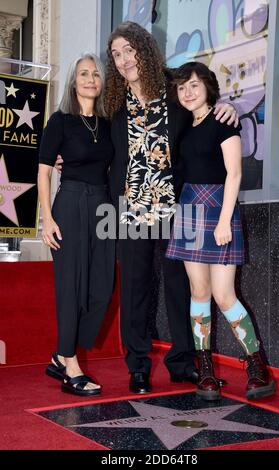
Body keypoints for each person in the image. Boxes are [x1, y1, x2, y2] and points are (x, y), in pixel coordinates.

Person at [104, 21, 239, 394]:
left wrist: (224, 107)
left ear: (144, 50)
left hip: (180, 206)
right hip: (131, 210)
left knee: (182, 286)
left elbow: (201, 103)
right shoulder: (113, 103)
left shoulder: (173, 91)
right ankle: (138, 366)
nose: (123, 59)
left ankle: (182, 362)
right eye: (116, 54)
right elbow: (98, 144)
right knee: (135, 288)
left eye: (129, 50)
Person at [166, 61, 276, 401]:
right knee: (198, 292)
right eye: (182, 87)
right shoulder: (183, 125)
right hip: (188, 210)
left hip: (218, 210)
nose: (188, 92)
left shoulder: (224, 121)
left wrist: (225, 220)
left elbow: (235, 174)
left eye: (194, 85)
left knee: (224, 294)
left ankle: (258, 368)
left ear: (208, 87)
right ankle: (206, 372)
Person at [38, 53, 115, 396]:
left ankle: (60, 352)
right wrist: (47, 219)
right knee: (70, 288)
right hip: (69, 203)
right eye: (83, 73)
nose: (90, 79)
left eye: (96, 74)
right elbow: (43, 171)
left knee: (101, 288)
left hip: (103, 207)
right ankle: (70, 363)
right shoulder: (60, 120)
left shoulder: (109, 123)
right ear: (74, 81)